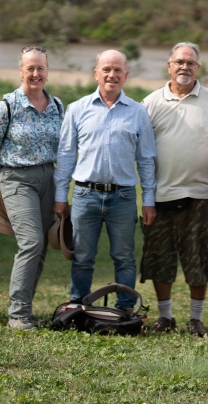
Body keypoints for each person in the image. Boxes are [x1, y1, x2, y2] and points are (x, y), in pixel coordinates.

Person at [54, 50, 157, 311]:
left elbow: (146, 159)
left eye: (118, 70)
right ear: (96, 73)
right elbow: (66, 154)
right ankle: (78, 306)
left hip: (122, 197)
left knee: (124, 257)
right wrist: (59, 195)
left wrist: (148, 200)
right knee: (82, 257)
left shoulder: (138, 112)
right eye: (107, 69)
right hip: (84, 195)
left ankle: (124, 309)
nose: (112, 75)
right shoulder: (76, 109)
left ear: (126, 75)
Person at [142, 42, 208, 336]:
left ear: (198, 68)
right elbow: (142, 150)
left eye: (191, 63)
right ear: (169, 65)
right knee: (160, 258)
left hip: (200, 196)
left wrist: (202, 158)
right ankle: (165, 317)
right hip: (160, 195)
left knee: (199, 259)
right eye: (179, 62)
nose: (184, 67)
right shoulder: (150, 103)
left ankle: (196, 319)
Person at [0, 46, 64, 331]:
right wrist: (3, 181)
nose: (36, 73)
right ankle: (17, 314)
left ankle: (25, 308)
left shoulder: (57, 106)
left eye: (40, 68)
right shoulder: (6, 106)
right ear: (20, 71)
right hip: (16, 178)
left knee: (40, 246)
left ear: (47, 71)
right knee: (31, 241)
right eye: (30, 68)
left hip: (48, 179)